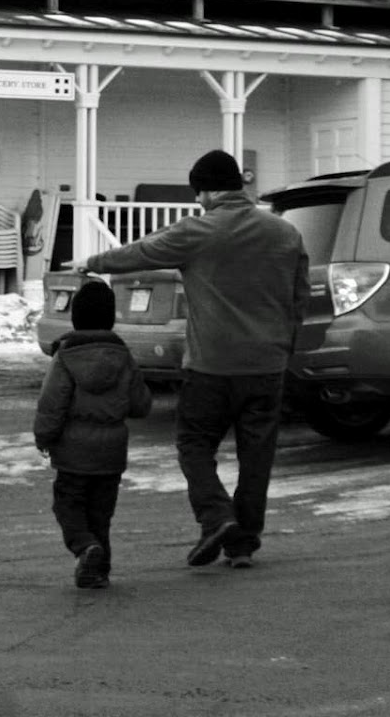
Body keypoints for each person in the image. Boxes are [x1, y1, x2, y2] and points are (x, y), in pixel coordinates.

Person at [81, 149, 309, 570]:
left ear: (205, 190)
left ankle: (216, 516)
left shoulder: (198, 231)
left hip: (212, 367)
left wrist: (93, 263)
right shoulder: (285, 234)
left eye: (197, 192)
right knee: (256, 455)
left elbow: (141, 253)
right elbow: (300, 298)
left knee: (194, 444)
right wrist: (283, 347)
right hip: (268, 366)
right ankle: (243, 544)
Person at [33, 278, 154, 589]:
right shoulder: (123, 356)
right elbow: (141, 404)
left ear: (75, 317)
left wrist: (44, 437)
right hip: (111, 452)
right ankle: (98, 570)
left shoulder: (66, 356)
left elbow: (52, 402)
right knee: (101, 513)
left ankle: (85, 547)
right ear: (111, 317)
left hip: (73, 450)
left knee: (68, 505)